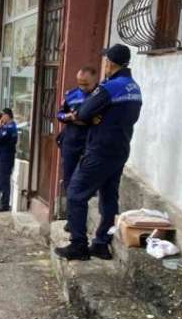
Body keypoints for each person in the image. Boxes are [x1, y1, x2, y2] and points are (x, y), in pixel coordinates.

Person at [55, 44, 142, 261]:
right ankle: (101, 244)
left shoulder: (110, 88)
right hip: (121, 148)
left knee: (75, 193)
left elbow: (83, 112)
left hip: (100, 149)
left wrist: (84, 116)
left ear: (110, 64)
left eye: (106, 61)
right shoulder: (134, 87)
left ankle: (78, 245)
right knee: (109, 196)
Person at [56, 67, 99, 230]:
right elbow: (59, 114)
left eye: (86, 84)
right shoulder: (71, 95)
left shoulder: (100, 96)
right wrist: (68, 117)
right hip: (72, 139)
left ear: (95, 80)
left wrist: (84, 119)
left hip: (90, 139)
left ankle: (86, 219)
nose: (82, 87)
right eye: (80, 83)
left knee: (87, 179)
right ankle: (71, 219)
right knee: (69, 179)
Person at [0, 108, 17, 213]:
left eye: (3, 115)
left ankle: (5, 204)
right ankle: (2, 201)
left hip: (6, 157)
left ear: (7, 115)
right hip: (2, 156)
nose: (1, 117)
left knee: (4, 182)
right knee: (2, 181)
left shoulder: (10, 127)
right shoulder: (5, 126)